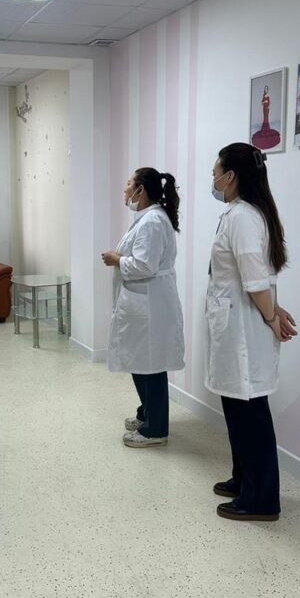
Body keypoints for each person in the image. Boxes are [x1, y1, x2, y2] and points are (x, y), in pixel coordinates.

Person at [207, 143, 297, 522]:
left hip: (243, 330)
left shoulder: (243, 217)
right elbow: (259, 275)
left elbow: (256, 281)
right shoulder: (244, 213)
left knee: (249, 413)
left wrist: (272, 317)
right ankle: (244, 479)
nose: (213, 179)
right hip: (238, 323)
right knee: (238, 408)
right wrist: (274, 309)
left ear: (231, 177)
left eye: (216, 173)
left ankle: (261, 499)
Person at [102, 168, 185, 448]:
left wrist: (116, 259)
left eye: (129, 184)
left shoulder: (153, 221)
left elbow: (144, 265)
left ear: (141, 190)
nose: (125, 189)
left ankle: (156, 429)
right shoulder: (148, 218)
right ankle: (147, 414)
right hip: (143, 304)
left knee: (151, 366)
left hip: (150, 304)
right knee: (141, 362)